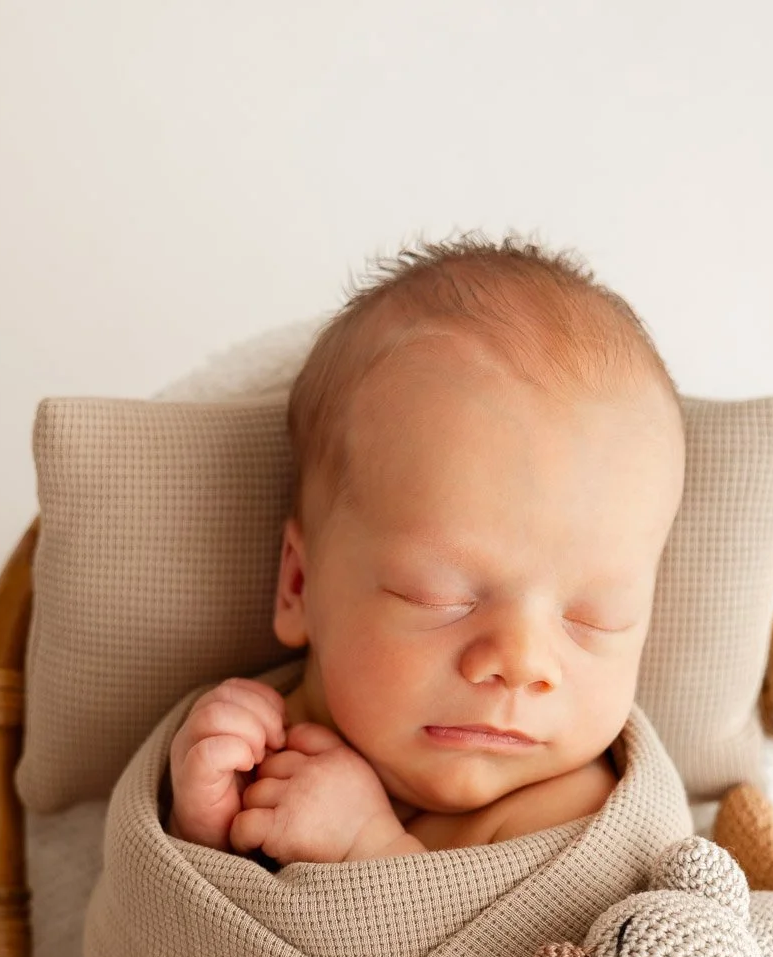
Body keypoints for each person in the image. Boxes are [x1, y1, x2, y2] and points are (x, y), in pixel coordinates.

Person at [167, 233, 686, 865]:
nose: (520, 662)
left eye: (594, 616)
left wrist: (370, 851)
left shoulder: (584, 825)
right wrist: (201, 832)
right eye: (440, 594)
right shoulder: (253, 753)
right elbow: (179, 952)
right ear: (299, 586)